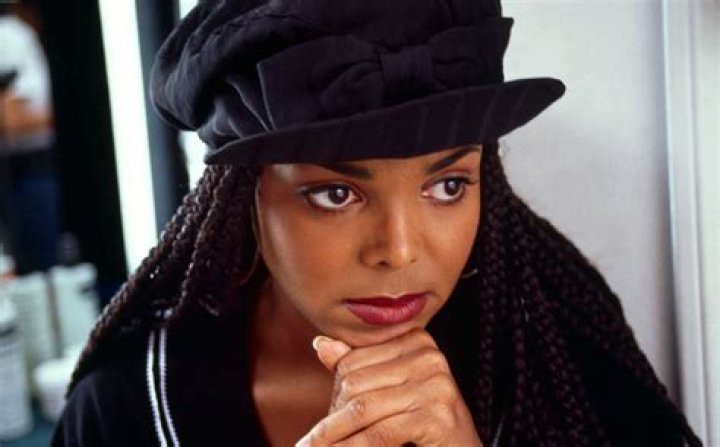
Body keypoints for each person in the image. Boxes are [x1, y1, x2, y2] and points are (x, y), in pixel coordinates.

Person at [52, 0, 701, 445]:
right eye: (336, 194)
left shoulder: (561, 359)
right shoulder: (126, 410)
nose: (399, 250)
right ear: (248, 195)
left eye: (448, 185)